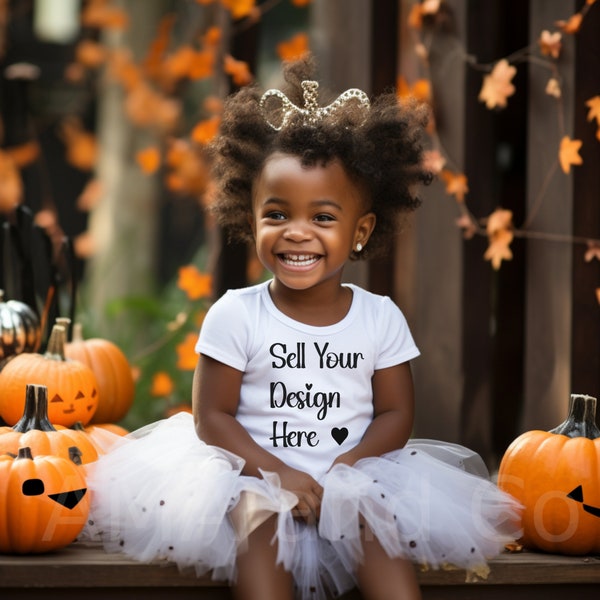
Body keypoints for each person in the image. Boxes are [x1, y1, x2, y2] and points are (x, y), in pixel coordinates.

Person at [83, 57, 522, 600]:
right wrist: (278, 474)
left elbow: (395, 413)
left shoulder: (378, 316)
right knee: (260, 519)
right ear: (251, 219)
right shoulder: (236, 314)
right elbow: (213, 417)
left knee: (373, 522)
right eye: (277, 214)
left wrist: (346, 470)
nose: (297, 233)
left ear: (360, 230)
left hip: (354, 470)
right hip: (254, 471)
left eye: (322, 217)